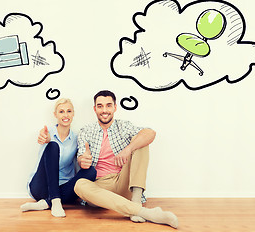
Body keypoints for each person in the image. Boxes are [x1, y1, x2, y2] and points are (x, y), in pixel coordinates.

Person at [74, 90, 178, 228]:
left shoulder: (123, 126)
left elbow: (150, 133)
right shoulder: (85, 131)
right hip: (101, 187)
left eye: (108, 105)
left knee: (141, 140)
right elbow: (81, 157)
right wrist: (83, 160)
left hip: (123, 180)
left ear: (115, 107)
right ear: (95, 109)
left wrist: (128, 149)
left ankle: (136, 201)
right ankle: (145, 212)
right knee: (79, 185)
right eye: (100, 106)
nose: (104, 110)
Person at [21, 98, 97, 217]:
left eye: (69, 111)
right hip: (40, 187)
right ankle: (55, 201)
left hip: (64, 188)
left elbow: (82, 159)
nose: (65, 115)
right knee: (53, 146)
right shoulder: (48, 133)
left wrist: (84, 158)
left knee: (91, 171)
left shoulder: (77, 138)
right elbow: (44, 135)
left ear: (73, 114)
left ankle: (46, 203)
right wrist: (45, 139)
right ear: (55, 114)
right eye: (61, 112)